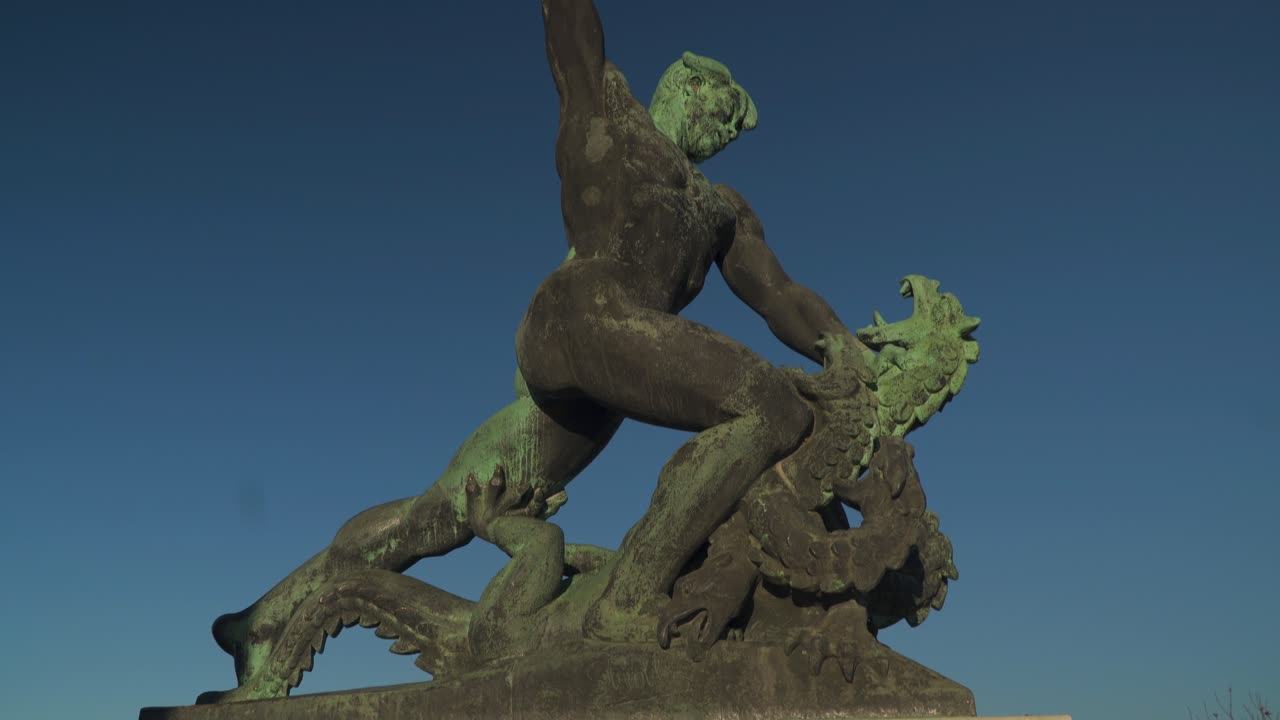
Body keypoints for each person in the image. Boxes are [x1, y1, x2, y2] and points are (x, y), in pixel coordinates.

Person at [209, 0, 866, 688]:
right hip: (581, 316)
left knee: (443, 511)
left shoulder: (723, 209)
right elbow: (571, 31)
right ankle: (630, 599)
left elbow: (781, 295)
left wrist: (841, 345)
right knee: (770, 405)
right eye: (727, 111)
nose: (731, 132)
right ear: (689, 87)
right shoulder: (611, 115)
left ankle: (267, 619)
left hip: (603, 379)